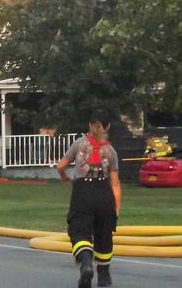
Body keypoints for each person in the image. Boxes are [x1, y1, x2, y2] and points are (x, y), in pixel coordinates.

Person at [56, 110, 122, 288]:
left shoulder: (79, 144)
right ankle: (104, 275)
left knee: (79, 231)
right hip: (104, 196)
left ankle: (86, 264)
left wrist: (63, 176)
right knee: (104, 235)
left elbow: (61, 166)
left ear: (89, 125)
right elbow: (115, 184)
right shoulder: (111, 151)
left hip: (82, 194)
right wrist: (116, 207)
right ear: (108, 126)